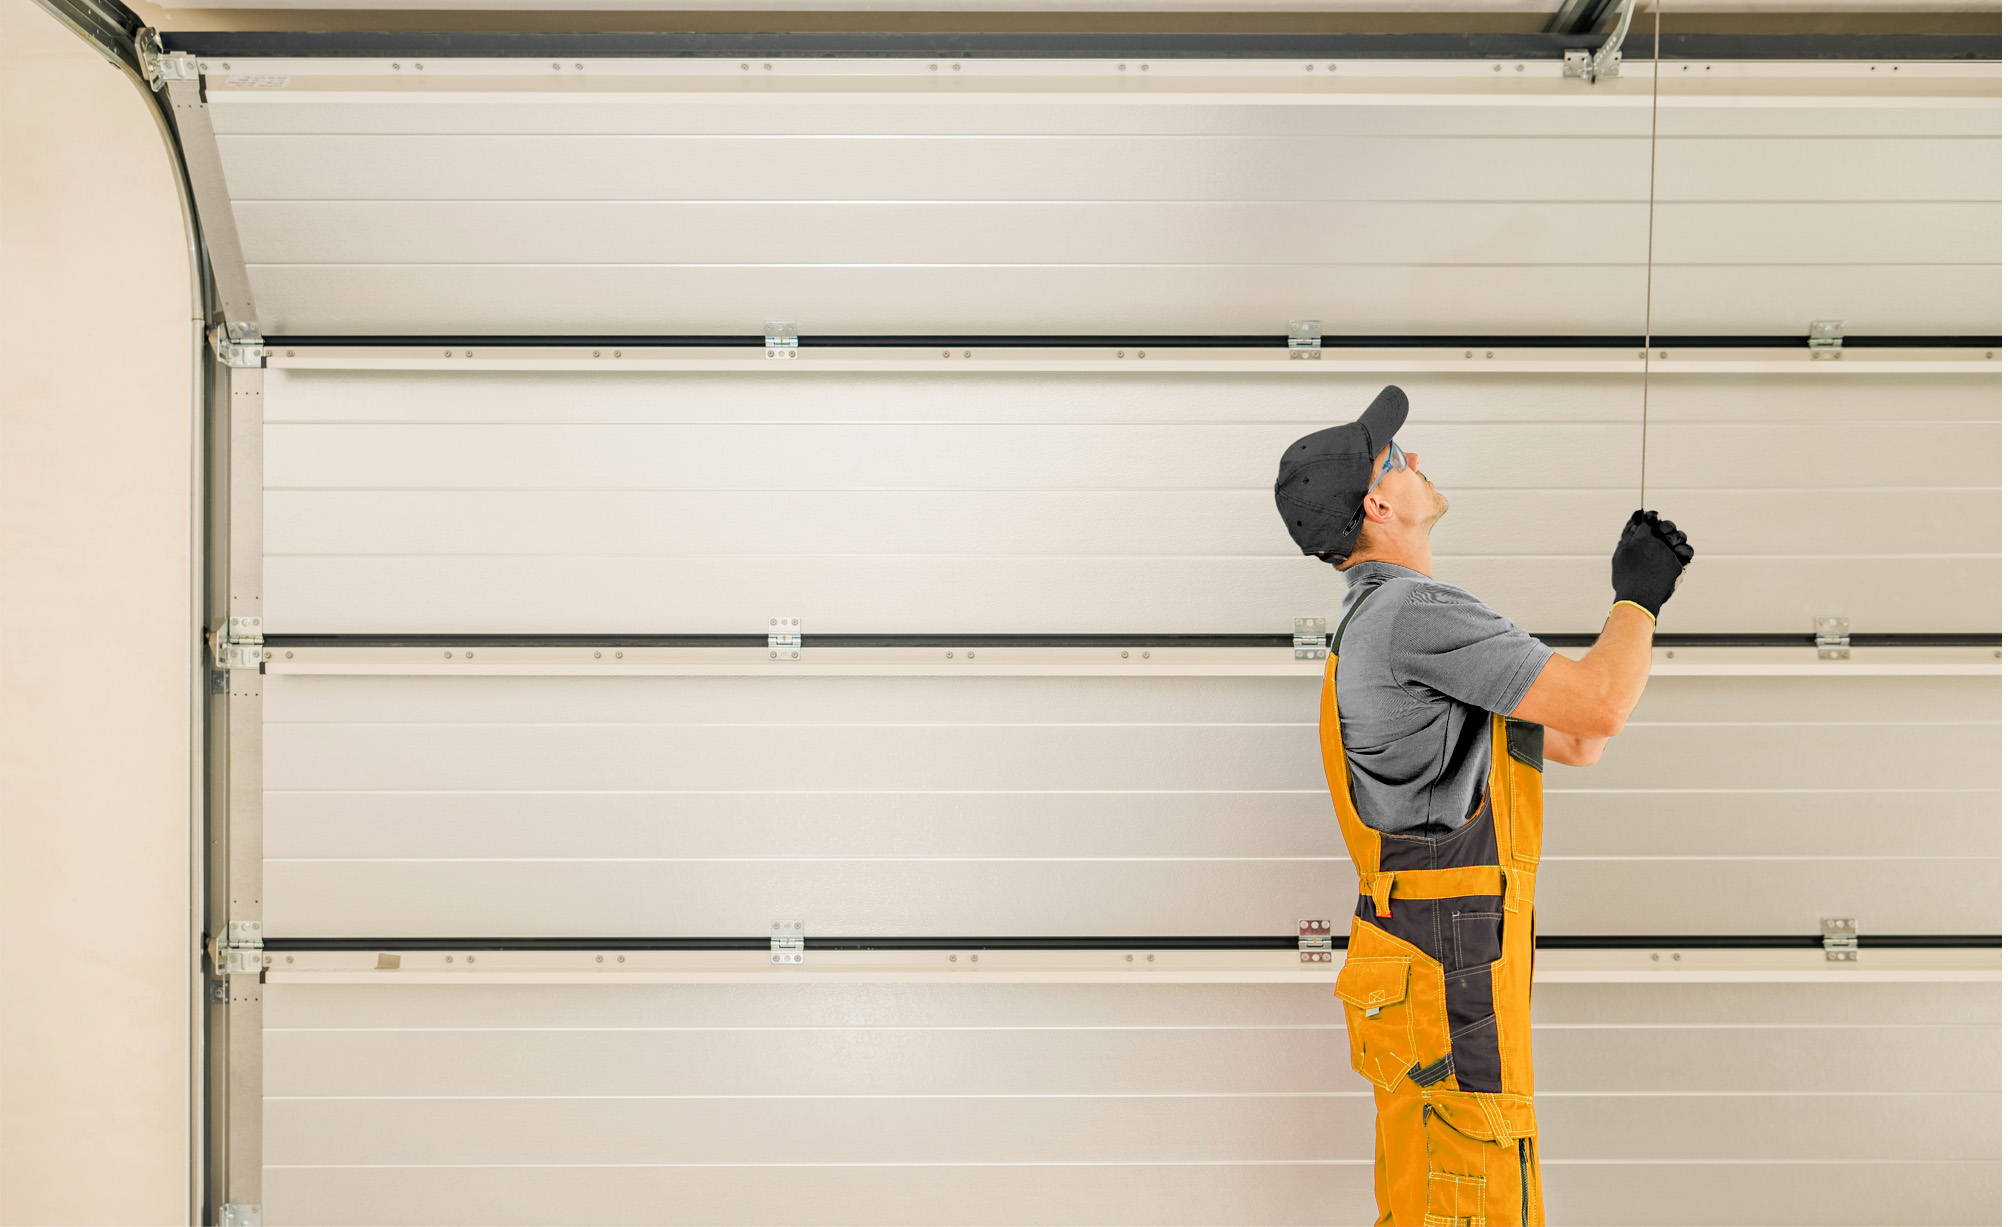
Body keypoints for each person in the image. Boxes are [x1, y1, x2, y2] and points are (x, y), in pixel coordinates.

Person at [1273, 385, 1694, 1227]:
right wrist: (1637, 600)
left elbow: (1578, 738)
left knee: (1434, 1178)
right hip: (1452, 951)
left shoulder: (1375, 622)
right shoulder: (1413, 614)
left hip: (1425, 952)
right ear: (1378, 501)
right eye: (1398, 457)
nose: (1416, 459)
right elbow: (1603, 708)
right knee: (1476, 1178)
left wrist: (1627, 619)